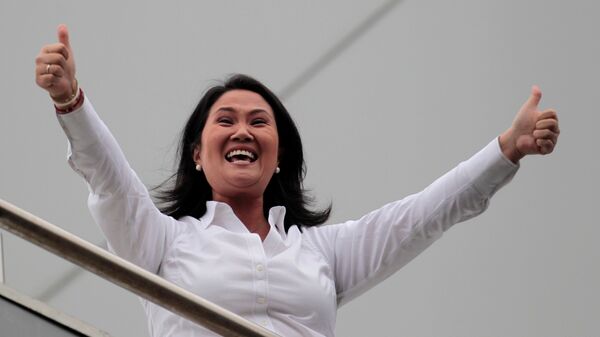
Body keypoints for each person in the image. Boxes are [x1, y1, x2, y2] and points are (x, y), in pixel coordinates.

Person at [35, 25, 559, 337]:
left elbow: (420, 217)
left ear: (279, 155)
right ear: (197, 155)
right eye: (226, 121)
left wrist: (505, 149)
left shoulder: (321, 252)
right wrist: (71, 100)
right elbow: (112, 182)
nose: (243, 130)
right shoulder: (164, 242)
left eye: (259, 122)